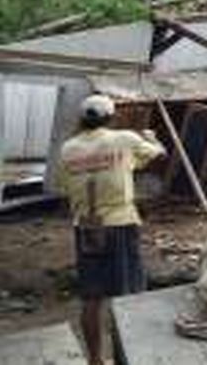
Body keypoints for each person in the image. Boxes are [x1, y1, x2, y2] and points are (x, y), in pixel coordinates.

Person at [57, 94, 165, 365]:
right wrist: (151, 138)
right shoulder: (124, 139)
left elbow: (64, 185)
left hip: (86, 226)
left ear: (83, 118)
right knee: (125, 297)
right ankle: (124, 360)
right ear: (111, 117)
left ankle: (95, 360)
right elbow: (158, 154)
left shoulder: (68, 148)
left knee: (92, 297)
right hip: (119, 223)